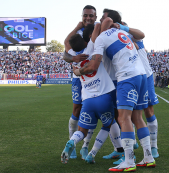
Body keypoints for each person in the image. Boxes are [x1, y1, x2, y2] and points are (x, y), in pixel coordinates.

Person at [77, 14, 155, 171]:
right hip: (141, 75)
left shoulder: (100, 39)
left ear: (95, 32)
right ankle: (148, 157)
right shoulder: (121, 32)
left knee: (123, 118)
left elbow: (93, 66)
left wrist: (79, 71)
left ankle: (129, 161)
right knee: (137, 118)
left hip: (126, 78)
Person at [61, 21, 116, 164]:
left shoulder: (73, 56)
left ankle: (72, 141)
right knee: (107, 125)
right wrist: (96, 22)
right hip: (104, 95)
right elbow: (98, 27)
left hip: (87, 100)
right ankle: (92, 153)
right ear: (86, 42)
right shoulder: (91, 48)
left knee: (82, 131)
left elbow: (67, 41)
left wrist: (79, 26)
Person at [62, 5, 97, 159]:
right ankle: (73, 145)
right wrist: (74, 58)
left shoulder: (98, 30)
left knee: (92, 112)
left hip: (96, 76)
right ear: (82, 16)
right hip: (78, 78)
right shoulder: (78, 32)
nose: (88, 18)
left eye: (91, 16)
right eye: (85, 15)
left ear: (95, 17)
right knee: (77, 110)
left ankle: (85, 146)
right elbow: (65, 52)